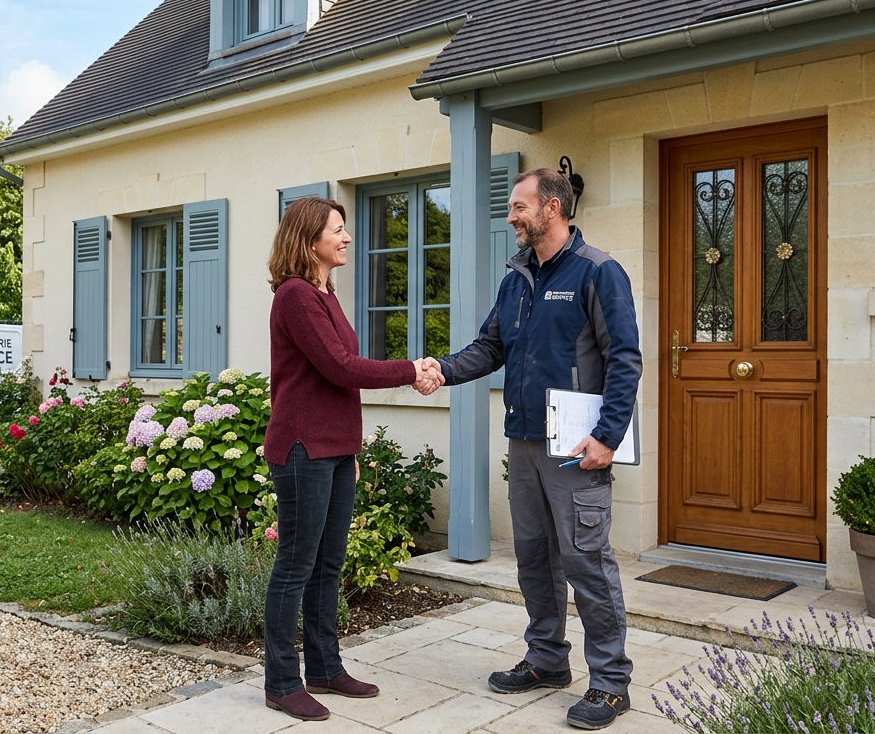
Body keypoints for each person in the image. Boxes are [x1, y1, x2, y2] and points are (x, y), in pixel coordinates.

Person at [426, 168, 641, 730]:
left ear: (551, 208)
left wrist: (608, 437)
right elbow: (490, 346)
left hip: (575, 447)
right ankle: (547, 660)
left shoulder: (599, 271)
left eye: (519, 207)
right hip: (523, 441)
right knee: (535, 560)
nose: (512, 217)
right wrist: (440, 372)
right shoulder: (516, 279)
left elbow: (625, 359)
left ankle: (611, 683)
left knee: (586, 561)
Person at [263, 196, 444, 722]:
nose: (346, 238)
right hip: (302, 449)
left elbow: (338, 385)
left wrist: (353, 451)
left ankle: (323, 667)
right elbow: (342, 368)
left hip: (335, 450)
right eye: (337, 230)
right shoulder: (295, 296)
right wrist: (411, 368)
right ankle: (280, 682)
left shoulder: (325, 294)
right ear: (309, 238)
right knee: (295, 566)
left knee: (328, 564)